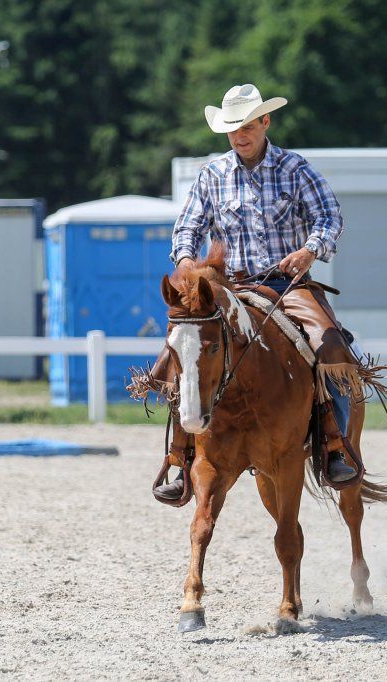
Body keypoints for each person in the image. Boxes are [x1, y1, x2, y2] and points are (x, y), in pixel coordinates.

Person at [155, 83, 361, 499]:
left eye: (247, 126)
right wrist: (185, 263)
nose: (239, 136)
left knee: (331, 347)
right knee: (175, 358)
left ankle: (335, 444)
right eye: (232, 129)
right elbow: (188, 228)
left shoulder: (295, 169)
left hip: (287, 286)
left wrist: (309, 251)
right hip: (228, 288)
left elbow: (329, 216)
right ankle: (180, 457)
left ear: (265, 121)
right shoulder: (212, 175)